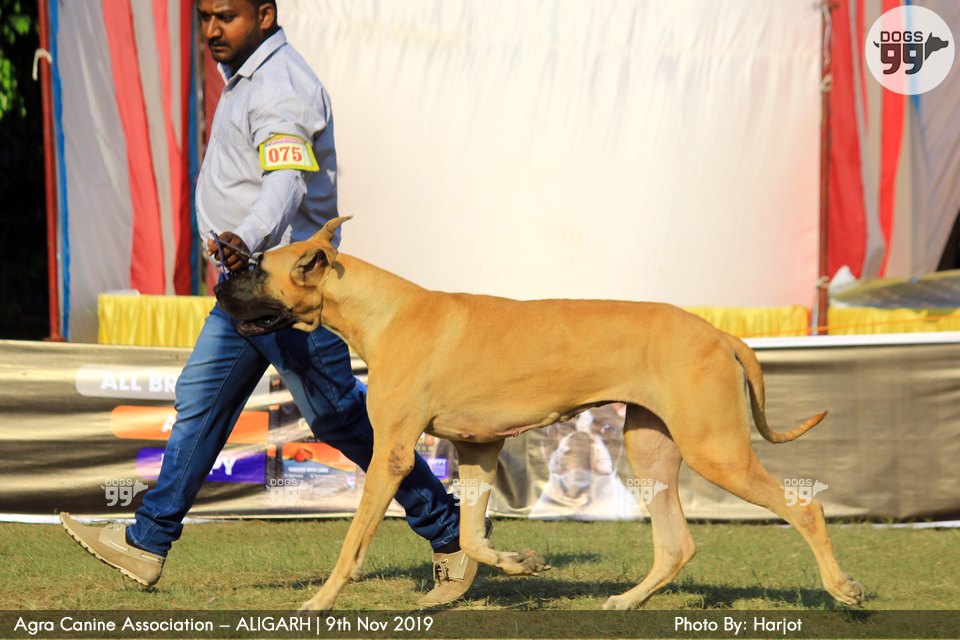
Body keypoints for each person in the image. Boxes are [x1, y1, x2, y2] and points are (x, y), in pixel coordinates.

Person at [60, 0, 478, 606]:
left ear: (264, 14)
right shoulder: (245, 79)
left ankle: (452, 535)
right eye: (204, 16)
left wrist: (245, 237)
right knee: (201, 402)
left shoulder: (282, 85)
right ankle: (146, 541)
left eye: (225, 16)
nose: (211, 29)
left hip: (290, 295)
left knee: (339, 417)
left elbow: (285, 183)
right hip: (250, 288)